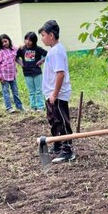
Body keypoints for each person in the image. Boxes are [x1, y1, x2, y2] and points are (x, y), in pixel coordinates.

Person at [40, 19, 75, 163]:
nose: (42, 38)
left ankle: (67, 150)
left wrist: (54, 94)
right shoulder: (53, 51)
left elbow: (60, 74)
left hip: (58, 95)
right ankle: (58, 144)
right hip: (51, 93)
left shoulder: (57, 51)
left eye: (43, 35)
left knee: (62, 121)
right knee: (54, 121)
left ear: (51, 35)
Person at [17, 32, 48, 111]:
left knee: (38, 90)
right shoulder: (22, 49)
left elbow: (48, 54)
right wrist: (22, 64)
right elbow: (16, 57)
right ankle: (33, 106)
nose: (27, 41)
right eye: (26, 39)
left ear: (34, 41)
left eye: (30, 40)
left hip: (37, 72)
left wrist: (41, 61)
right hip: (27, 73)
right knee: (31, 91)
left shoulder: (37, 49)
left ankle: (40, 106)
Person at [0, 34, 24, 113]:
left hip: (12, 75)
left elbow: (19, 50)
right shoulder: (0, 52)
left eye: (5, 41)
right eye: (2, 42)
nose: (4, 43)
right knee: (6, 92)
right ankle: (9, 108)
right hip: (4, 76)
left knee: (15, 91)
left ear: (9, 40)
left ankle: (19, 106)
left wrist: (23, 65)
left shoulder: (13, 49)